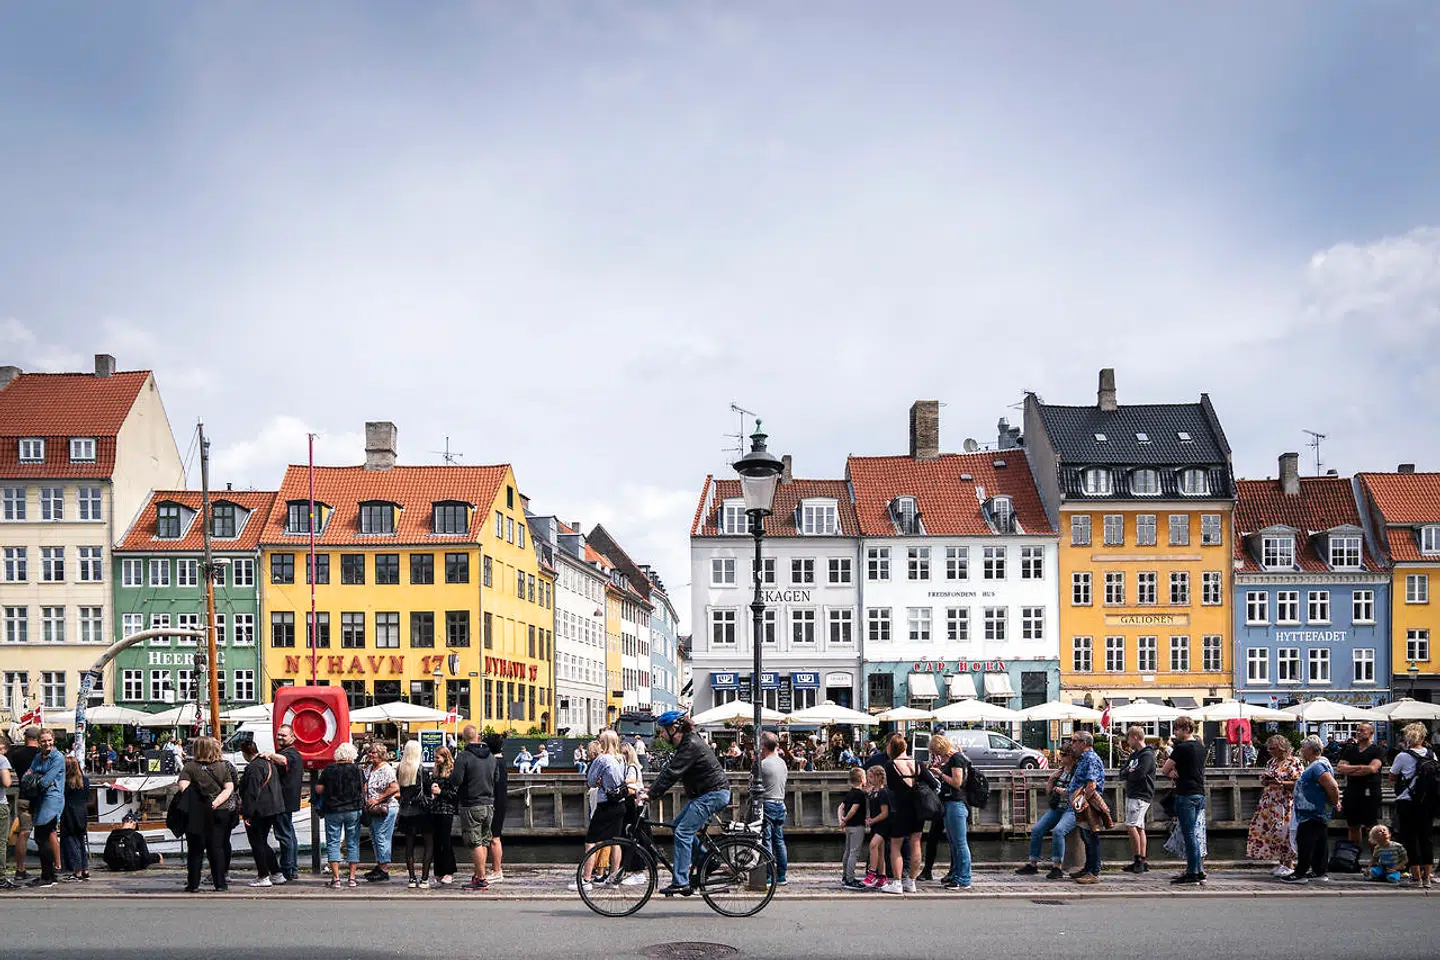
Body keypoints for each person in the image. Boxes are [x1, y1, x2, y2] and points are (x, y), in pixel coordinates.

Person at [639, 710, 731, 897]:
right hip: (706, 794)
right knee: (677, 825)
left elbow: (672, 772)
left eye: (663, 731)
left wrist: (652, 794)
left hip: (713, 794)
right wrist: (651, 790)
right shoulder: (687, 743)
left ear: (674, 728)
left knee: (683, 832)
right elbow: (669, 771)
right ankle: (708, 860)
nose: (661, 735)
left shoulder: (690, 745)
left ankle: (680, 881)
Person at [176, 736, 235, 893]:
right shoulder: (223, 767)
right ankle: (220, 883)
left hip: (197, 812)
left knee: (195, 850)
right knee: (217, 848)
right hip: (219, 811)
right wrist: (215, 802)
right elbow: (229, 788)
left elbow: (183, 787)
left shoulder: (190, 767)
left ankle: (193, 884)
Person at [570, 730, 626, 892]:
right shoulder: (621, 758)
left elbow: (591, 781)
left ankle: (586, 879)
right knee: (616, 841)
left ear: (603, 742)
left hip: (606, 803)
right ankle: (613, 877)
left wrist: (600, 782)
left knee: (591, 841)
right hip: (620, 803)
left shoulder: (602, 759)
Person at [1284, 735, 1341, 884]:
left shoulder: (1318, 766)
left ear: (1310, 749)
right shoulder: (1320, 764)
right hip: (1316, 810)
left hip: (1313, 811)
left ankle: (1300, 873)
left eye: (1303, 748)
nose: (1301, 750)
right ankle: (1319, 871)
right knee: (1319, 841)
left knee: (1305, 840)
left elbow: (1332, 785)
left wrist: (1335, 802)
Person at [451, 724, 502, 891]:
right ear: (478, 736)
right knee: (484, 840)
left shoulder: (463, 756)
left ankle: (481, 879)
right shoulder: (491, 757)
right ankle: (478, 875)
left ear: (464, 738)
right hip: (489, 803)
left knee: (474, 842)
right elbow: (496, 778)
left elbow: (456, 780)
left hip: (471, 803)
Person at [1016, 745, 1077, 880]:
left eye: (1063, 755)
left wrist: (1062, 791)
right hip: (1057, 808)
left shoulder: (1077, 772)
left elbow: (1076, 792)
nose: (1061, 757)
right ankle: (1033, 864)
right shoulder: (1061, 771)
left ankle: (1057, 867)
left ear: (1071, 757)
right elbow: (1048, 791)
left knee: (1058, 831)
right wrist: (1051, 779)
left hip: (1071, 809)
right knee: (1037, 829)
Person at [1247, 734, 1305, 876]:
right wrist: (1266, 780)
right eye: (1269, 749)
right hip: (1270, 802)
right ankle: (1281, 863)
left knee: (1286, 832)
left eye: (1273, 748)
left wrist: (1281, 783)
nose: (1270, 751)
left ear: (1281, 748)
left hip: (1285, 802)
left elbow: (1300, 783)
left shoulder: (1293, 762)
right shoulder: (1271, 762)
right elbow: (1265, 781)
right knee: (1274, 832)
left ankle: (1289, 864)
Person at [881, 733, 931, 894]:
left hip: (899, 809)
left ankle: (896, 883)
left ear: (891, 748)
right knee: (916, 843)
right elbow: (933, 783)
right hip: (917, 809)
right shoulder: (917, 763)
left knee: (896, 845)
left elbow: (887, 786)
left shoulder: (890, 765)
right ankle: (911, 882)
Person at [1160, 715, 1206, 885]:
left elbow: (1165, 769)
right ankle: (1199, 870)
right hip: (1199, 793)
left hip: (1185, 793)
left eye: (1177, 729)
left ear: (1186, 728)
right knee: (1193, 833)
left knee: (1189, 835)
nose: (1175, 733)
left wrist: (1172, 773)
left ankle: (1192, 872)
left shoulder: (1182, 748)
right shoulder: (1201, 747)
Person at [1389, 721, 1435, 889]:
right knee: (1426, 838)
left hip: (1407, 800)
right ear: (1423, 737)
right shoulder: (1432, 755)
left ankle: (1416, 877)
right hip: (1427, 802)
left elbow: (1392, 776)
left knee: (1410, 838)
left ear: (1408, 737)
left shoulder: (1402, 756)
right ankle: (1428, 877)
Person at [316, 742, 364, 888]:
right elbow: (364, 788)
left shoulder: (329, 769)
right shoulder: (357, 770)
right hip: (353, 810)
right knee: (353, 842)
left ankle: (336, 879)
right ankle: (352, 878)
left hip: (333, 810)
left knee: (333, 842)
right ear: (352, 755)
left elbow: (319, 789)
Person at [928, 734, 972, 891]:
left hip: (956, 803)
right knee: (954, 843)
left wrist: (939, 774)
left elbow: (957, 782)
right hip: (949, 804)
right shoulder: (951, 759)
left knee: (960, 843)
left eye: (936, 751)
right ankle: (956, 875)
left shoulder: (956, 758)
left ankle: (964, 878)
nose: (936, 755)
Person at [237, 740, 285, 887]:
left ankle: (263, 875)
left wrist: (247, 813)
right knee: (263, 842)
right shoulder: (268, 763)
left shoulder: (253, 767)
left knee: (257, 843)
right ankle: (276, 873)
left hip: (259, 810)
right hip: (274, 808)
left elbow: (252, 792)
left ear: (244, 753)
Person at [1335, 721, 1385, 850]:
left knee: (1371, 827)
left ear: (1371, 733)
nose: (1358, 732)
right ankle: (1353, 855)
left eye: (1362, 730)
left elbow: (1373, 768)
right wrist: (1361, 768)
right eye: (1357, 730)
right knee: (1353, 825)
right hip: (1352, 791)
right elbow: (1340, 768)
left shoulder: (1377, 750)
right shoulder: (1350, 750)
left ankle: (1376, 857)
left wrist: (1351, 769)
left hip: (1370, 792)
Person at [264, 724, 304, 883]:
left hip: (283, 802)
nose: (280, 737)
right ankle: (292, 868)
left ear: (292, 737)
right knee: (289, 834)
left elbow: (284, 760)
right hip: (287, 801)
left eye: (284, 735)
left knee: (284, 835)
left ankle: (288, 869)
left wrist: (269, 755)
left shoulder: (291, 754)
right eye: (279, 735)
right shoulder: (289, 752)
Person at [1067, 731, 1106, 885]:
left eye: (1074, 741)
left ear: (1083, 743)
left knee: (1091, 837)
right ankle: (1088, 867)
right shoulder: (1084, 758)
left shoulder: (1090, 759)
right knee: (1086, 836)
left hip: (1087, 804)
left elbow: (1091, 785)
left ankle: (1094, 871)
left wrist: (1078, 803)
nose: (1072, 744)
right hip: (1082, 803)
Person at [395, 740, 434, 889]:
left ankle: (411, 878)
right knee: (428, 844)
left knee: (409, 845)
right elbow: (428, 789)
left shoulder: (400, 769)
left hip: (406, 811)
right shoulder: (421, 769)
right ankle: (424, 878)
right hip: (422, 811)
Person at [362, 742, 400, 882]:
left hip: (385, 808)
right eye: (369, 752)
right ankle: (379, 864)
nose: (370, 754)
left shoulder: (386, 769)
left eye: (373, 752)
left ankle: (384, 868)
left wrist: (378, 799)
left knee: (382, 837)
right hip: (372, 809)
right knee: (374, 836)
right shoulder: (370, 768)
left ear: (381, 754)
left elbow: (394, 787)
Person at [1121, 726, 1156, 874]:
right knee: (1139, 827)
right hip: (1133, 793)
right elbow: (1122, 772)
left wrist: (1129, 773)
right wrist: (1129, 772)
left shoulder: (1146, 755)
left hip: (1140, 794)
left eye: (1128, 738)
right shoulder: (1134, 755)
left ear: (1135, 737)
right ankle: (1142, 859)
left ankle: (1138, 860)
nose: (1127, 742)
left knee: (1131, 826)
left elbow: (1140, 773)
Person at [8, 727, 40, 882]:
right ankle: (53, 866)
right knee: (48, 832)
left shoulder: (16, 754)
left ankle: (20, 869)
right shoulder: (42, 754)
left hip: (23, 796)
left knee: (23, 833)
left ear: (26, 737)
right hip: (40, 797)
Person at [758, 732, 789, 887]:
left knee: (767, 840)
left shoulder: (762, 764)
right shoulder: (782, 763)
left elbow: (753, 786)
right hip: (780, 804)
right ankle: (782, 875)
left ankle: (769, 876)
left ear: (763, 746)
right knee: (780, 841)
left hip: (768, 803)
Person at [428, 747, 459, 884]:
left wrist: (440, 792)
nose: (436, 760)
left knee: (445, 840)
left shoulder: (452, 773)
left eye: (438, 757)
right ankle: (438, 871)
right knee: (436, 841)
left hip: (446, 809)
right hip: (435, 809)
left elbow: (455, 794)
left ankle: (449, 870)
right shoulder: (436, 772)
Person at [861, 764, 893, 890]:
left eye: (871, 777)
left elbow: (885, 813)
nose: (869, 780)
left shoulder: (883, 792)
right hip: (876, 824)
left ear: (879, 777)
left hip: (883, 824)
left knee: (873, 845)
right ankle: (882, 877)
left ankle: (872, 873)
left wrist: (872, 820)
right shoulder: (874, 791)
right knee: (880, 851)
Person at [59, 756, 90, 882]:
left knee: (72, 842)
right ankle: (85, 869)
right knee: (81, 841)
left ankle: (77, 871)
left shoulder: (65, 782)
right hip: (82, 812)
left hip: (69, 813)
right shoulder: (85, 780)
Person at [483, 733, 509, 883]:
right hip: (501, 800)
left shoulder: (493, 762)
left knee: (494, 838)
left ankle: (497, 869)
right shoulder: (502, 761)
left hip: (495, 802)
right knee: (495, 836)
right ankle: (496, 868)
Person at [838, 766, 867, 889]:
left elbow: (840, 807)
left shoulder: (850, 793)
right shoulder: (860, 794)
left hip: (849, 827)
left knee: (847, 851)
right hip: (857, 826)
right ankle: (850, 879)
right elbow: (853, 810)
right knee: (854, 853)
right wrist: (845, 820)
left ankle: (845, 876)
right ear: (861, 779)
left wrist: (841, 820)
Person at [0, 738, 13, 889]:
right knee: (1, 842)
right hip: (0, 803)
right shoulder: (2, 760)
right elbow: (7, 782)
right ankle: (1, 877)